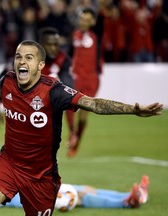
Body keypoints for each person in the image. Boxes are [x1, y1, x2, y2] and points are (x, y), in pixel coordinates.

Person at [0, 40, 163, 216]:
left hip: (41, 175)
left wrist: (132, 110)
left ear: (40, 65)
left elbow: (93, 104)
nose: (22, 61)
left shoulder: (54, 92)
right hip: (9, 163)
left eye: (29, 58)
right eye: (18, 56)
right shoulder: (8, 81)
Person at [0, 27, 76, 148]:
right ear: (40, 45)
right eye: (49, 44)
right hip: (24, 104)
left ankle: (72, 132)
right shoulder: (24, 59)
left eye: (56, 44)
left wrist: (60, 85)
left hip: (46, 105)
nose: (53, 48)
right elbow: (0, 82)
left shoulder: (63, 59)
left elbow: (69, 86)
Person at [0, 175, 149, 211]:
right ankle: (126, 203)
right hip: (32, 198)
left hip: (33, 187)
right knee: (78, 196)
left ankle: (131, 194)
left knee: (83, 189)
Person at [68, 7, 105, 158]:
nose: (83, 22)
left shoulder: (97, 35)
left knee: (83, 115)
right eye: (82, 19)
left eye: (87, 19)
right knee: (68, 106)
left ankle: (77, 140)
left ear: (93, 22)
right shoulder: (75, 35)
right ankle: (72, 135)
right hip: (76, 78)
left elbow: (104, 18)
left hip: (91, 79)